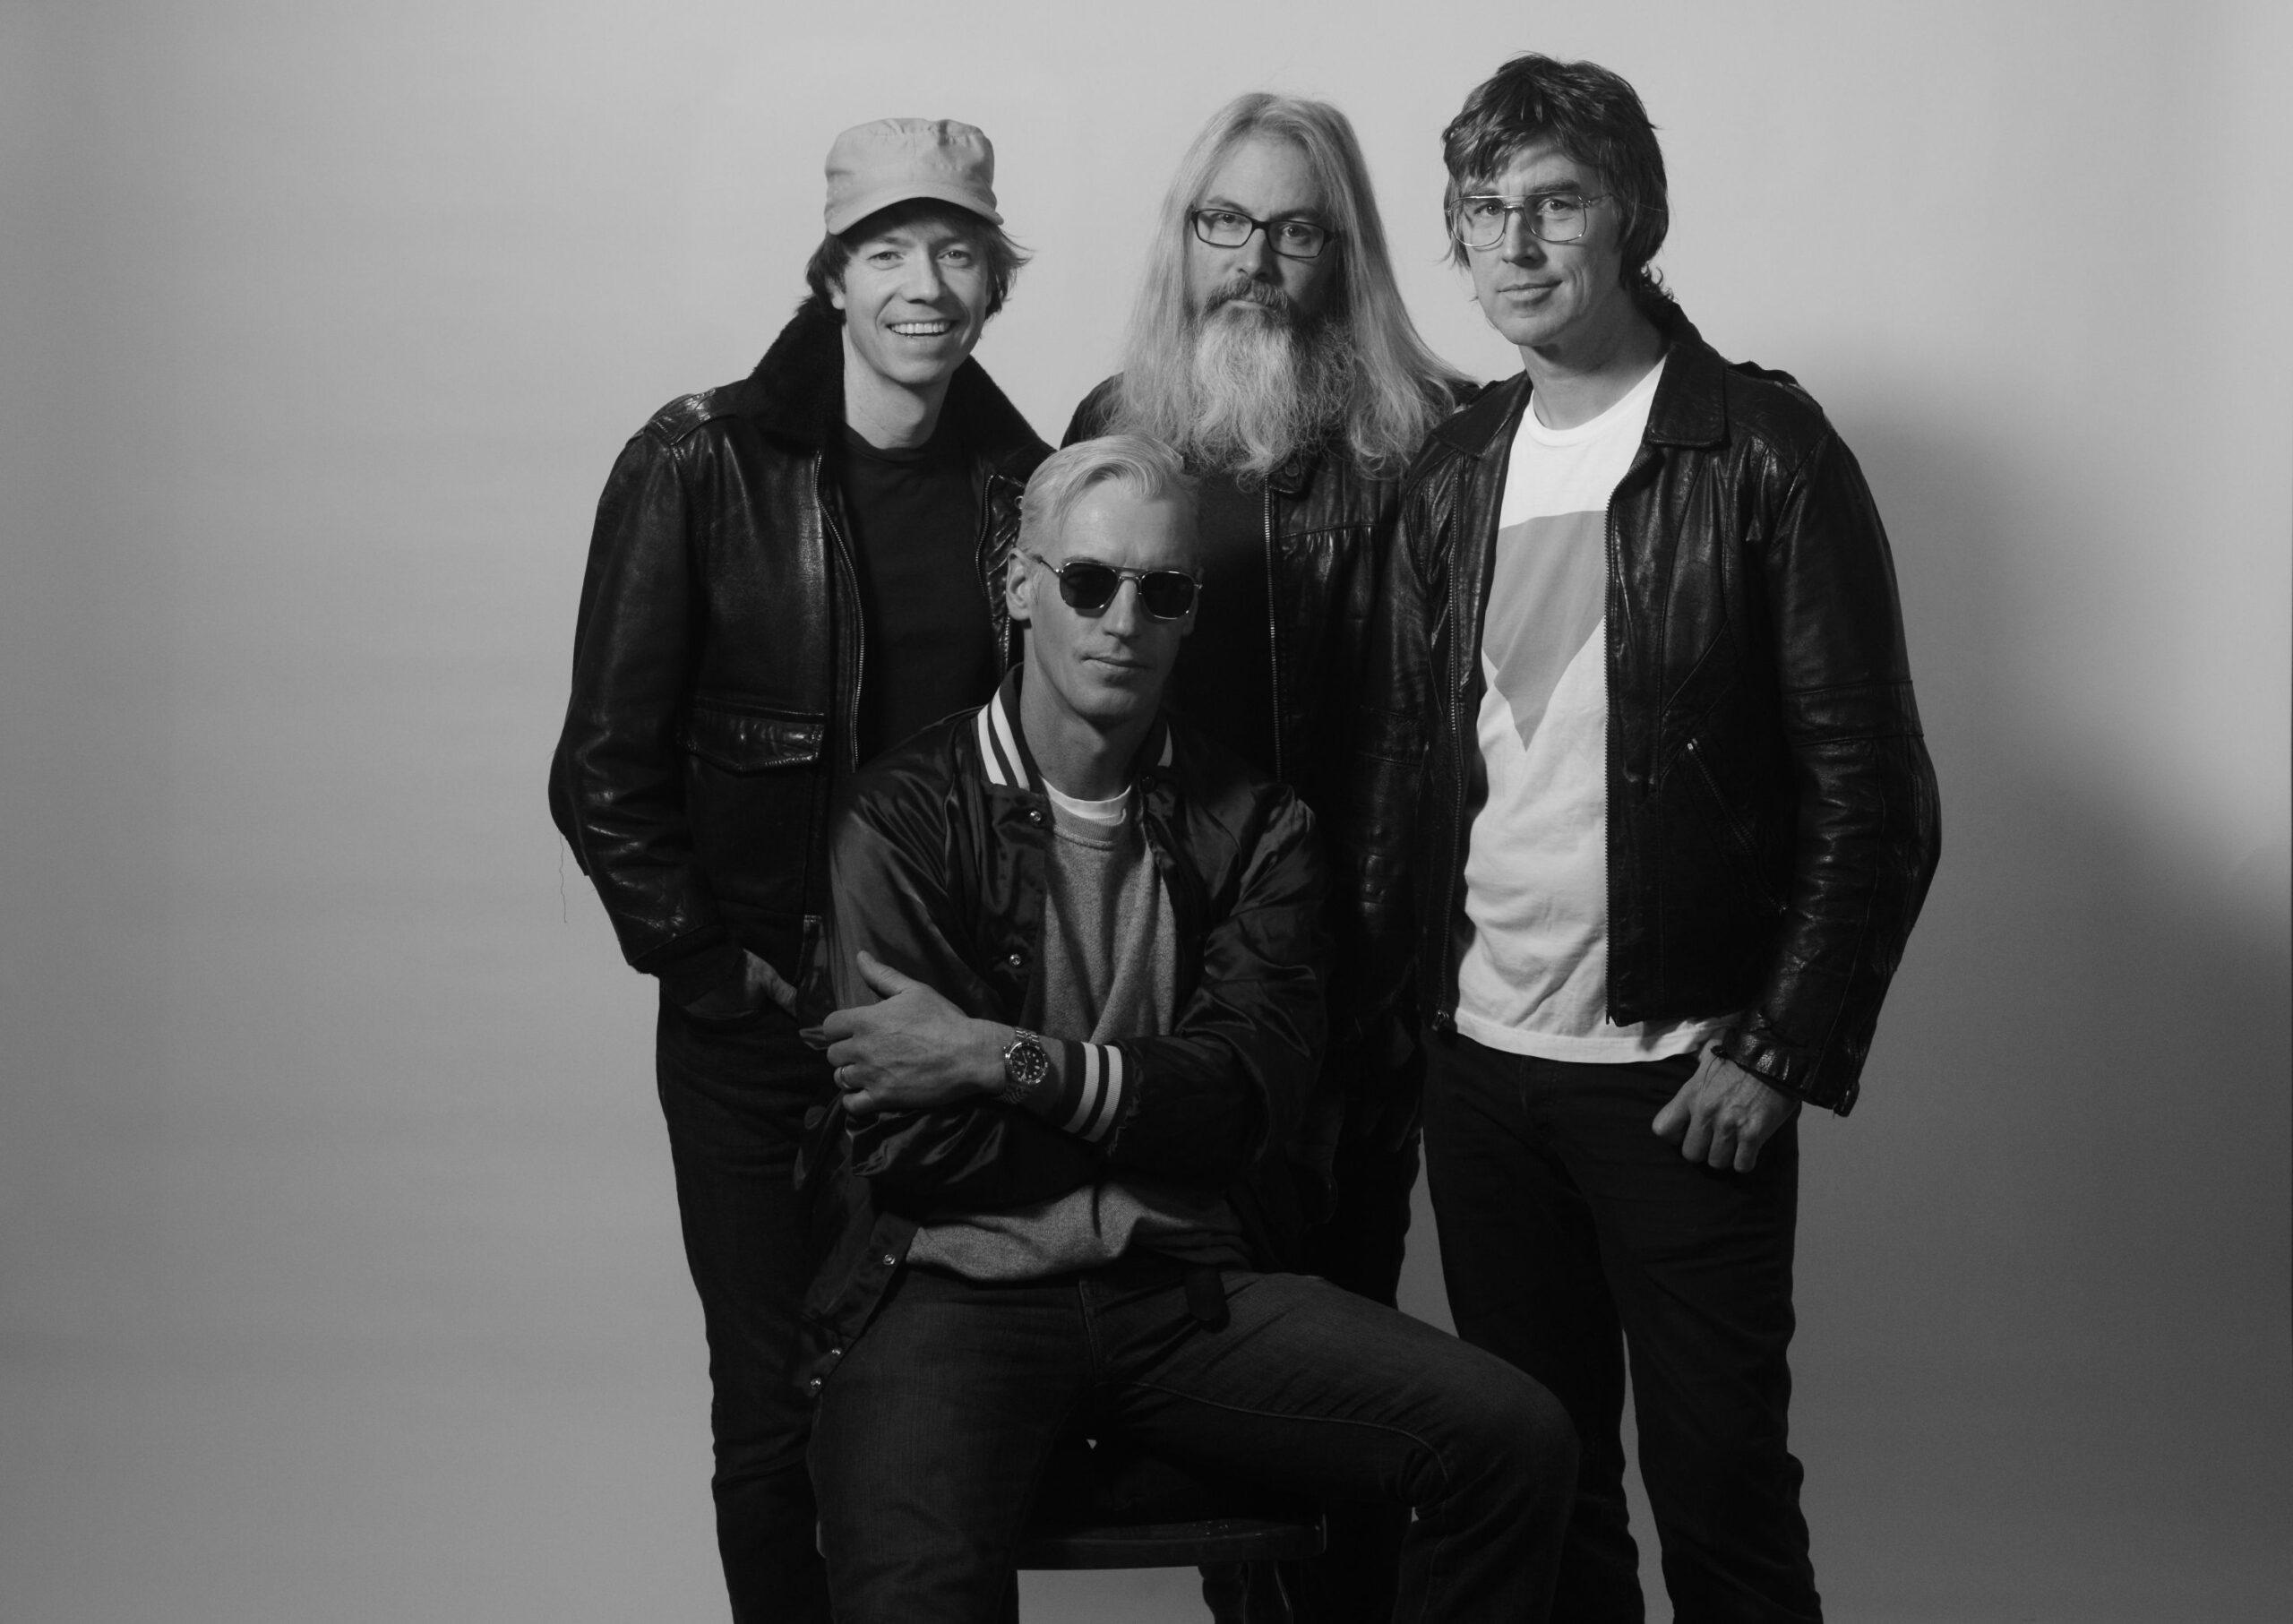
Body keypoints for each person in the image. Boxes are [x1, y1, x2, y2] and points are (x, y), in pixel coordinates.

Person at [1351, 55, 1942, 1624]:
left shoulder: (1763, 452)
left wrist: (1779, 1050)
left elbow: (1876, 793)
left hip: (1681, 1081)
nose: (1517, 243)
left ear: (1633, 219)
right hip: (1484, 1075)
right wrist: (1404, 1029)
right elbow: (1408, 772)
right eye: (1486, 209)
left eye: (1556, 203)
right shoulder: (1453, 468)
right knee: (1544, 1501)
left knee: (1721, 1496)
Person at [802, 436, 1577, 1624]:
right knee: (913, 1599)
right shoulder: (900, 818)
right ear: (1020, 586)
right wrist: (1151, 1116)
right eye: (1087, 583)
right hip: (952, 1291)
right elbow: (922, 1148)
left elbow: (1244, 1112)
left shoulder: (1259, 828)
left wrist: (1005, 1059)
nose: (1124, 621)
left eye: (1162, 591)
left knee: (1513, 1438)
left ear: (1191, 613)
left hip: (1182, 1296)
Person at [546, 118, 1048, 1621]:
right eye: (887, 251)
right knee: (771, 1417)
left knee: (941, 1415)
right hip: (761, 1041)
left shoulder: (1026, 486)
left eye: (956, 252)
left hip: (947, 1034)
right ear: (832, 276)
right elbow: (602, 765)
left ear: (995, 280)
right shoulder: (700, 462)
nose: (923, 286)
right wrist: (710, 964)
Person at [1064, 98, 1471, 1616]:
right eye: (1226, 222)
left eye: (1298, 229)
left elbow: (1460, 741)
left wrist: (1387, 1000)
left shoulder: (1430, 433)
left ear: (1345, 251)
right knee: (1214, 1384)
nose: (1256, 259)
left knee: (1345, 1381)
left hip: (1363, 997)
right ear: (1186, 238)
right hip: (1163, 998)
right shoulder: (1113, 422)